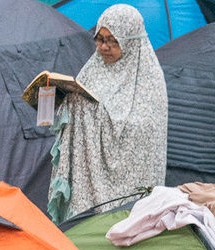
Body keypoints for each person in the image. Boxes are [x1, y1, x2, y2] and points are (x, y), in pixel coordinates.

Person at [46, 3, 168, 223]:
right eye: (100, 39)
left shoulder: (148, 76)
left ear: (130, 41)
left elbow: (144, 129)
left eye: (113, 40)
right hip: (87, 176)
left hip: (127, 182)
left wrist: (91, 112)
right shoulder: (94, 68)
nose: (104, 47)